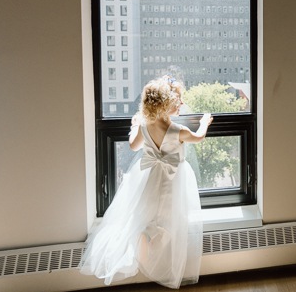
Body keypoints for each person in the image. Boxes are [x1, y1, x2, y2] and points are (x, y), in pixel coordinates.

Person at [80, 75, 213, 289]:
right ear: (164, 104)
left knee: (147, 211)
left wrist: (134, 126)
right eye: (177, 100)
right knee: (170, 217)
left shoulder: (145, 126)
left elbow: (133, 146)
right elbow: (198, 137)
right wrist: (205, 123)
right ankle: (150, 239)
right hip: (172, 180)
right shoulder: (178, 130)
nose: (181, 104)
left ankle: (145, 236)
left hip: (150, 178)